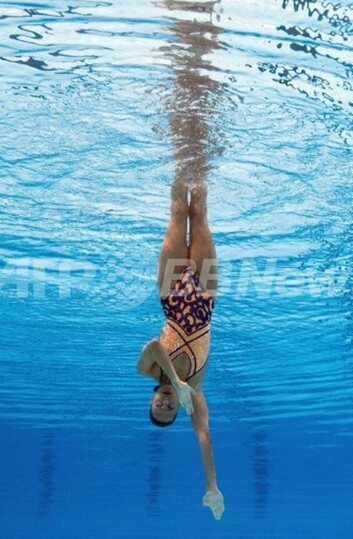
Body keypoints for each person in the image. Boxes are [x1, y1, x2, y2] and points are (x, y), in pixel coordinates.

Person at [136, 179, 224, 521]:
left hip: (171, 291)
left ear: (152, 399)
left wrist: (175, 379)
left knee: (177, 211)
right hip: (205, 294)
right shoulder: (196, 392)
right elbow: (204, 437)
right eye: (169, 410)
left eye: (159, 405)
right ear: (177, 412)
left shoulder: (148, 370)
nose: (166, 403)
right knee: (199, 212)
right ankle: (199, 156)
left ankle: (180, 151)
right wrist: (212, 487)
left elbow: (155, 346)